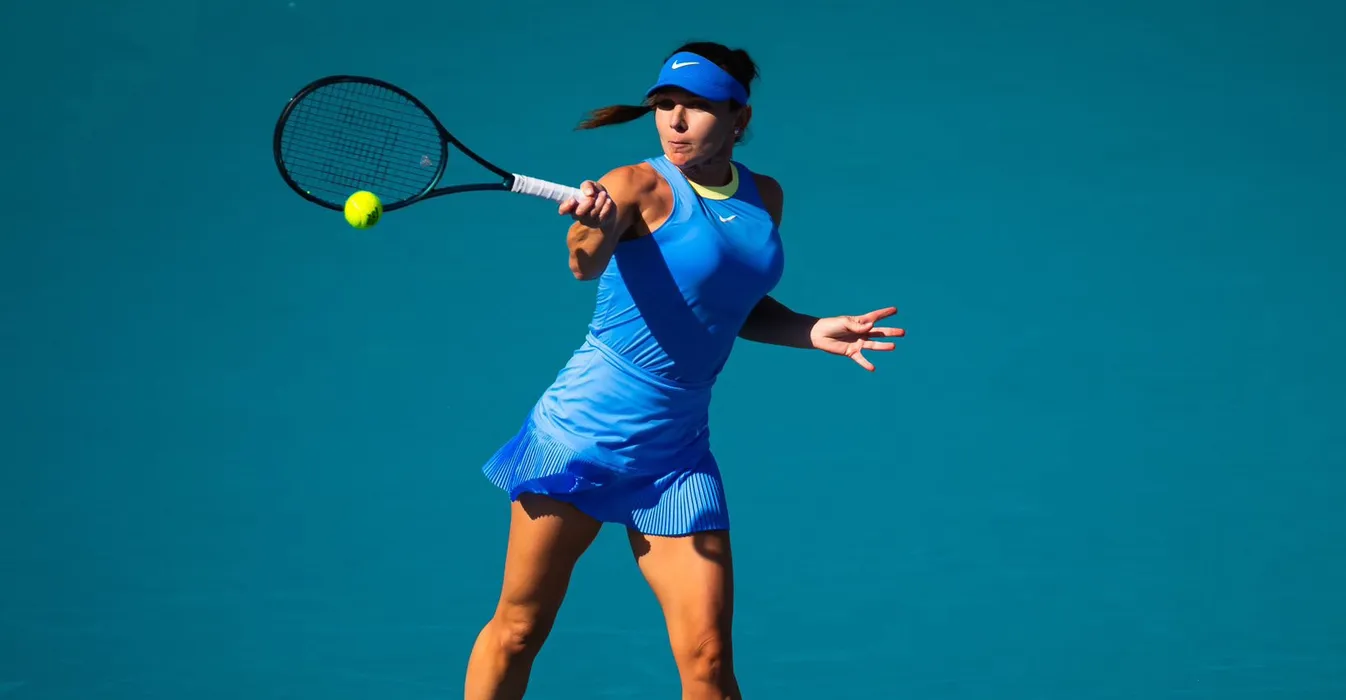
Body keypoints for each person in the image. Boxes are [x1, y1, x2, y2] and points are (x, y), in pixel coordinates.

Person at [463, 40, 904, 700]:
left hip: (676, 456)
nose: (673, 120)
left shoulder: (765, 197)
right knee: (521, 629)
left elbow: (731, 304)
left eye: (695, 106)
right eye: (664, 104)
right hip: (582, 436)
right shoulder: (633, 185)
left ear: (738, 119)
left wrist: (812, 330)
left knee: (708, 658)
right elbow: (584, 265)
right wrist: (589, 228)